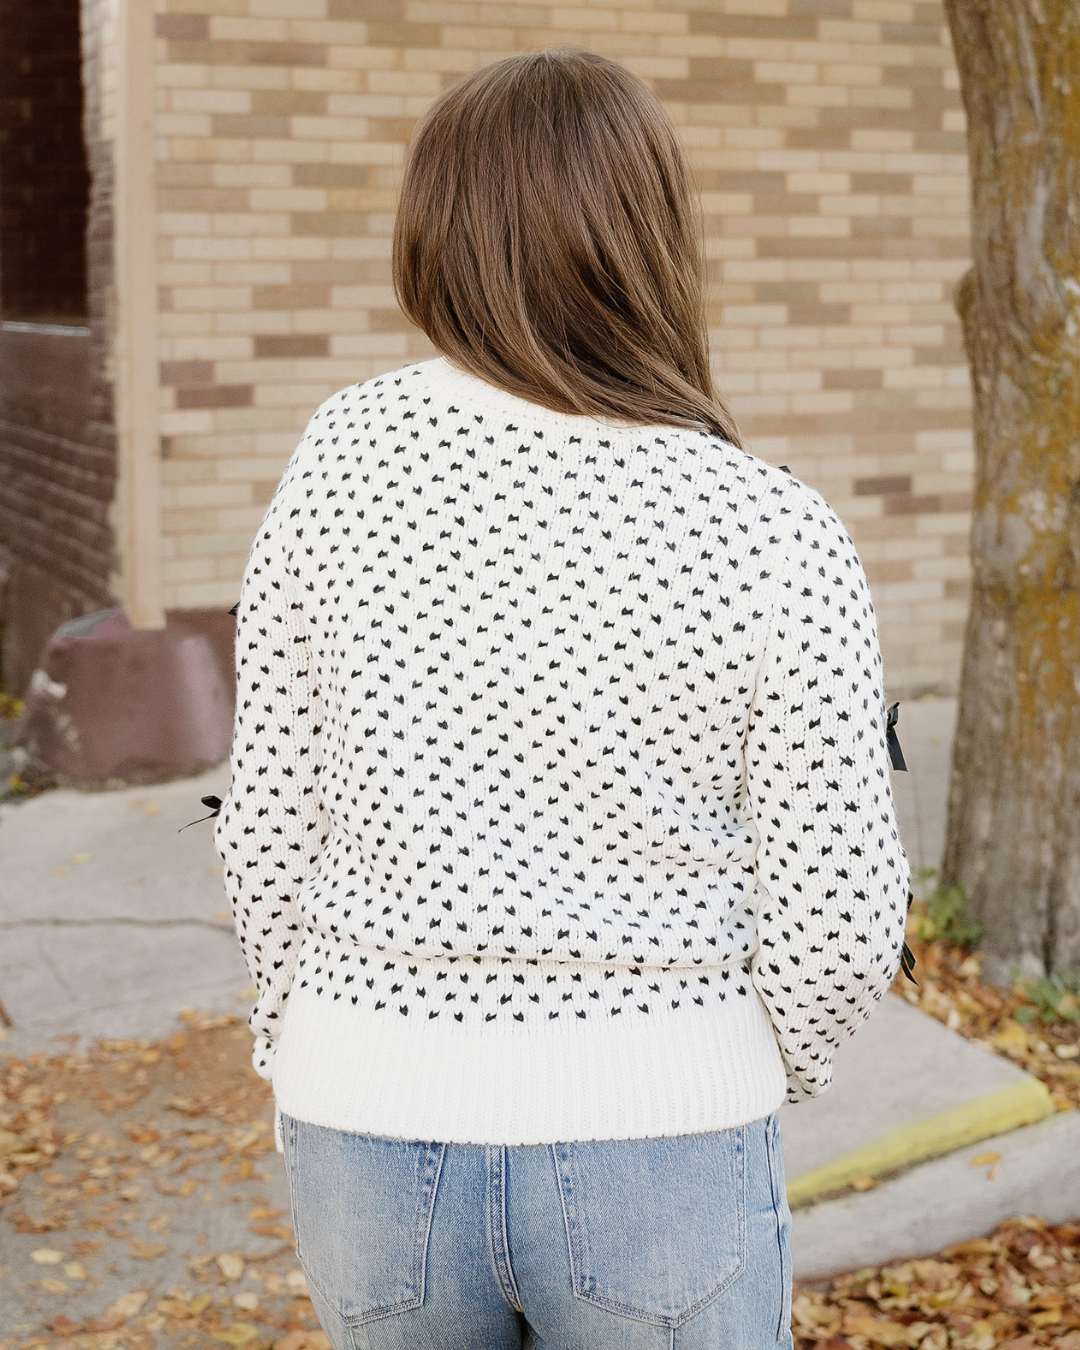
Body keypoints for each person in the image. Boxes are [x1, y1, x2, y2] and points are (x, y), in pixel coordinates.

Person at [213, 46, 912, 1350]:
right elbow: (838, 917)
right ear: (649, 233)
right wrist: (741, 1066)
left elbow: (265, 831)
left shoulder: (339, 462)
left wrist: (316, 1034)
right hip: (663, 1132)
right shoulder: (768, 528)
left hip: (366, 1116)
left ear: (436, 231)